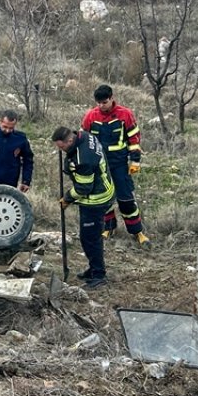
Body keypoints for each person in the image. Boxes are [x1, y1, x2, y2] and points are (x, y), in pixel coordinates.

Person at [82, 84, 149, 245]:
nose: (101, 106)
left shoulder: (125, 114)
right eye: (98, 103)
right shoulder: (91, 116)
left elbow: (134, 139)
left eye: (104, 102)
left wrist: (135, 161)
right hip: (99, 166)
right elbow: (84, 139)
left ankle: (137, 232)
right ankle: (108, 228)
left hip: (119, 164)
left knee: (126, 200)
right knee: (104, 200)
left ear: (112, 98)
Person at [52, 126, 114, 288]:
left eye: (62, 147)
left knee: (90, 238)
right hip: (102, 187)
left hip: (95, 199)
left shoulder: (83, 159)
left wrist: (66, 199)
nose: (60, 150)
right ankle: (93, 269)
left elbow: (83, 188)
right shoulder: (84, 136)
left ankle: (99, 275)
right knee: (88, 236)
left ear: (70, 140)